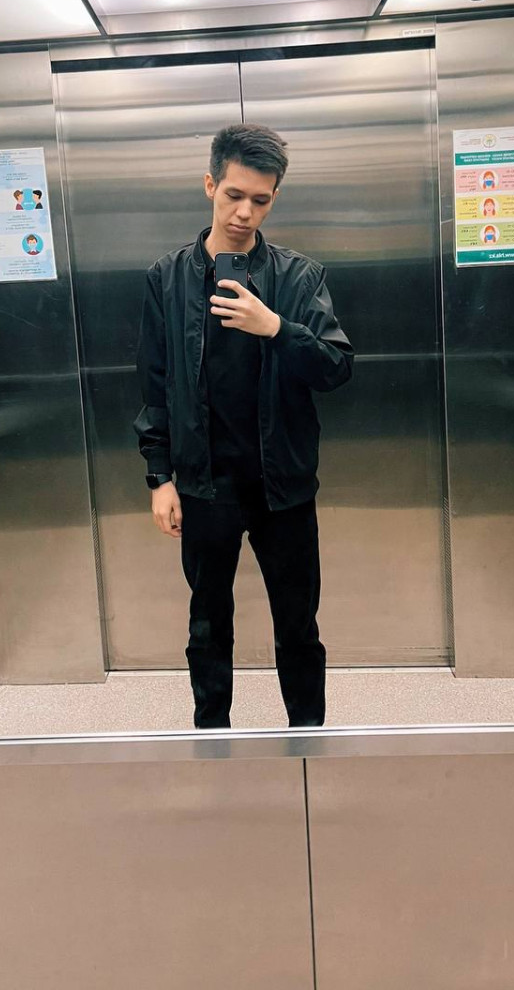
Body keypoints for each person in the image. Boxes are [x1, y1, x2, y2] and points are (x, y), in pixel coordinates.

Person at [134, 123, 353, 730]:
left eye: (260, 200)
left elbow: (336, 366)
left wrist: (275, 327)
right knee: (207, 625)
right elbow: (154, 383)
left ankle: (308, 740)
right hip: (204, 485)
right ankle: (213, 741)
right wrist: (159, 476)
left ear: (274, 198)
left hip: (283, 486)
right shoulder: (166, 279)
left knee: (298, 625)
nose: (244, 213)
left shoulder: (299, 277)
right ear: (210, 184)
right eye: (233, 195)